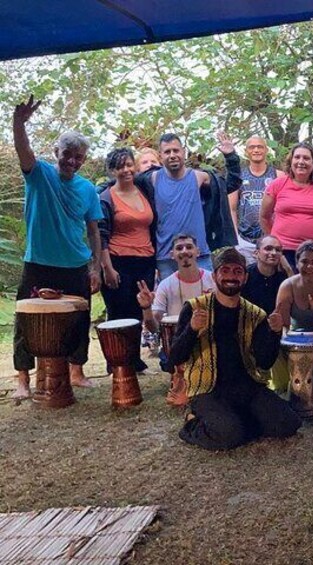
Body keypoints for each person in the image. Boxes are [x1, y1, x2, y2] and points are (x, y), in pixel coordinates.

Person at [12, 95, 103, 399]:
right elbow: (23, 150)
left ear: (84, 160)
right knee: (26, 320)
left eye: (78, 157)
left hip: (75, 264)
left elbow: (93, 230)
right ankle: (23, 379)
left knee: (80, 319)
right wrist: (19, 123)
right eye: (67, 154)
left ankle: (76, 372)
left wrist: (95, 267)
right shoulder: (39, 174)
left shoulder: (88, 188)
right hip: (38, 262)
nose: (72, 161)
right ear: (56, 152)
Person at [169, 248, 301, 450]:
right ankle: (192, 423)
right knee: (229, 436)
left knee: (288, 423)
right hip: (208, 390)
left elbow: (264, 362)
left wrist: (274, 334)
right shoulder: (195, 308)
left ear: (245, 277)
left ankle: (236, 423)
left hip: (247, 386)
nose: (231, 276)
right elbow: (176, 357)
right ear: (215, 275)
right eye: (226, 271)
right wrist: (192, 329)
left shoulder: (255, 314)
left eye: (237, 271)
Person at [136, 132, 239, 279]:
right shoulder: (152, 179)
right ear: (161, 156)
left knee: (204, 301)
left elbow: (229, 184)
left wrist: (231, 157)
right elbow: (120, 186)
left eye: (176, 150)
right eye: (167, 152)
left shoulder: (199, 177)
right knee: (172, 301)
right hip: (166, 257)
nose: (172, 155)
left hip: (199, 254)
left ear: (183, 151)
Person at [136, 234, 215, 402]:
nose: (184, 251)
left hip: (209, 341)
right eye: (179, 248)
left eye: (189, 247)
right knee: (169, 360)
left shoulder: (213, 279)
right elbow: (154, 327)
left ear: (198, 252)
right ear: (172, 255)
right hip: (179, 345)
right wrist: (146, 307)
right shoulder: (165, 285)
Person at [98, 148, 156, 326]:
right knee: (120, 317)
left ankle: (134, 354)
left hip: (145, 262)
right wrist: (107, 269)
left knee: (140, 312)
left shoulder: (145, 190)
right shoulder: (106, 198)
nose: (126, 170)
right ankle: (120, 355)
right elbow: (101, 236)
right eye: (119, 167)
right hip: (118, 263)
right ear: (112, 171)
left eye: (129, 165)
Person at [261, 142, 313, 269]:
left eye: (306, 158)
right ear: (291, 161)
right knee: (284, 288)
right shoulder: (277, 184)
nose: (301, 161)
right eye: (297, 157)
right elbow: (264, 217)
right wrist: (275, 241)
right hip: (283, 252)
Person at [229, 135, 283, 262]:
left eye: (260, 147)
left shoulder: (278, 175)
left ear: (266, 150)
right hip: (244, 239)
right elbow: (231, 209)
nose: (256, 150)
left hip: (271, 238)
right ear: (246, 151)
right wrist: (235, 237)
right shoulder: (238, 176)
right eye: (252, 147)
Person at [242, 235, 289, 315]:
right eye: (268, 249)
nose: (274, 253)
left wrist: (288, 269)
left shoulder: (284, 276)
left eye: (278, 250)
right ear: (256, 253)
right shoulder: (245, 275)